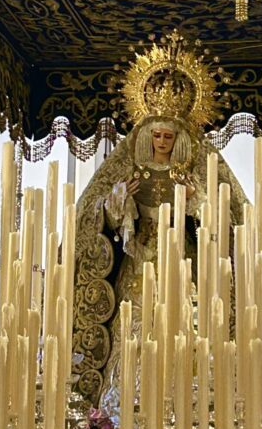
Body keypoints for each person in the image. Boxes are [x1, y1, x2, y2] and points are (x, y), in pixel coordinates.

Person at [72, 34, 246, 409]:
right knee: (131, 327)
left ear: (179, 138)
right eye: (157, 135)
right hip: (137, 265)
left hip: (181, 266)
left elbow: (229, 221)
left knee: (182, 330)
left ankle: (180, 406)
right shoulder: (128, 169)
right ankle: (123, 405)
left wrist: (197, 203)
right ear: (145, 135)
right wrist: (118, 203)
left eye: (169, 136)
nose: (162, 142)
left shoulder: (193, 172)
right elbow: (91, 214)